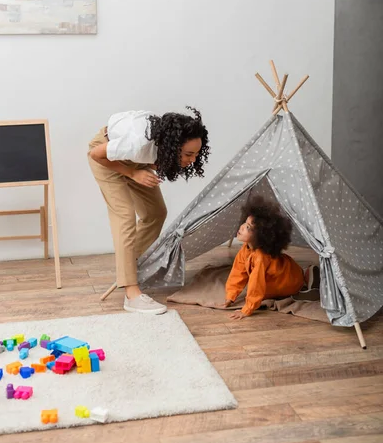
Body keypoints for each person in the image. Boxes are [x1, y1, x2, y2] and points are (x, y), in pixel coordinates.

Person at [88, 107, 210, 315]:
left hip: (132, 159)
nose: (192, 160)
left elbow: (142, 158)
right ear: (173, 145)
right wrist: (133, 173)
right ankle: (131, 294)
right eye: (189, 154)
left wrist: (138, 168)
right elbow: (95, 154)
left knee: (156, 212)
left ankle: (129, 265)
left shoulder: (156, 146)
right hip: (106, 157)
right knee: (125, 216)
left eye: (196, 154)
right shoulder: (138, 142)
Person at [219, 195, 320, 320]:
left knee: (297, 284)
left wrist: (247, 309)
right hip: (285, 271)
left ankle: (304, 282)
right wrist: (230, 296)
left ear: (261, 235)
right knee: (291, 274)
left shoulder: (260, 258)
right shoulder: (246, 248)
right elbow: (238, 272)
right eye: (245, 223)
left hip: (288, 281)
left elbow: (257, 285)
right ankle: (306, 274)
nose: (242, 227)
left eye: (248, 227)